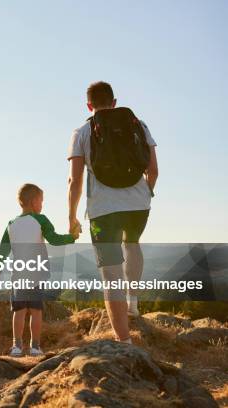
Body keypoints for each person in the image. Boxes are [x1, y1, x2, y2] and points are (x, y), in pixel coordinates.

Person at [67, 81, 159, 343]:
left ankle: (124, 341)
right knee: (132, 243)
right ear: (115, 102)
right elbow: (153, 171)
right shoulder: (138, 125)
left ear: (89, 105)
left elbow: (74, 181)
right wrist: (146, 192)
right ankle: (133, 301)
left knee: (111, 273)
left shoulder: (82, 132)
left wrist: (72, 216)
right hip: (139, 205)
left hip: (103, 209)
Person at [0, 184, 78, 357]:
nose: (42, 205)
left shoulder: (11, 224)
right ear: (34, 202)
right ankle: (35, 347)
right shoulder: (41, 219)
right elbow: (54, 239)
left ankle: (16, 347)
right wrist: (71, 237)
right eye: (41, 201)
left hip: (18, 274)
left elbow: (3, 251)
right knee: (35, 311)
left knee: (18, 311)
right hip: (36, 273)